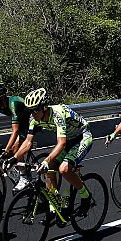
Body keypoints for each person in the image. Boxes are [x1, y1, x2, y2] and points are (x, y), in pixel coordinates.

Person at [14, 89, 94, 217]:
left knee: (63, 169)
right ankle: (55, 204)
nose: (33, 114)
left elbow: (61, 143)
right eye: (30, 110)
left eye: (36, 110)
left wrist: (46, 160)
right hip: (68, 139)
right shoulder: (34, 119)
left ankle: (86, 196)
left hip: (82, 137)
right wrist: (14, 158)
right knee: (49, 169)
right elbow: (28, 142)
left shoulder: (57, 114)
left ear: (45, 107)